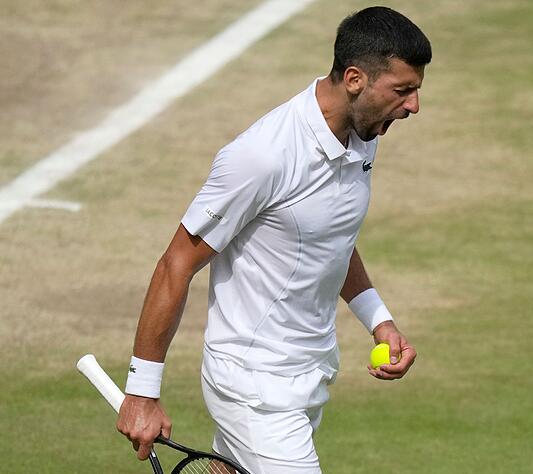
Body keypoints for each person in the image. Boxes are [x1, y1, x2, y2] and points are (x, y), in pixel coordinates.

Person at [116, 6, 431, 473]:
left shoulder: (364, 132)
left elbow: (331, 235)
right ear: (355, 79)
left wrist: (378, 320)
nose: (413, 106)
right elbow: (175, 264)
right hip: (254, 386)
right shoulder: (263, 156)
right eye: (402, 90)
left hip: (308, 373)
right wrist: (142, 391)